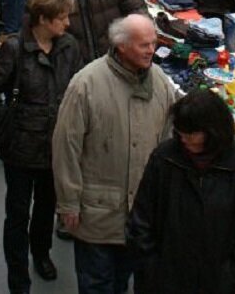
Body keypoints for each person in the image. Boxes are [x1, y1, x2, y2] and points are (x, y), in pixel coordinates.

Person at [52, 15, 178, 294]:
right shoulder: (86, 84)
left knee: (121, 284)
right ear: (121, 46)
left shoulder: (159, 82)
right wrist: (69, 202)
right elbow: (66, 147)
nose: (151, 50)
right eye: (144, 45)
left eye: (154, 44)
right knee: (96, 285)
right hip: (96, 214)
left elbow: (168, 141)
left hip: (140, 216)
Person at [0, 0, 81, 293]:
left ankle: (41, 253)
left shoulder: (69, 47)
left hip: (55, 146)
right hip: (20, 145)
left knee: (47, 207)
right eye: (61, 18)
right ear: (43, 19)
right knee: (17, 214)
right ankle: (18, 276)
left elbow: (77, 91)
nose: (67, 24)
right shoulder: (15, 49)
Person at [127, 90, 235, 294]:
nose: (184, 139)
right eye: (180, 132)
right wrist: (151, 270)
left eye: (191, 133)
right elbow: (141, 219)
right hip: (162, 283)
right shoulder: (165, 159)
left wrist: (231, 280)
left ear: (212, 131)